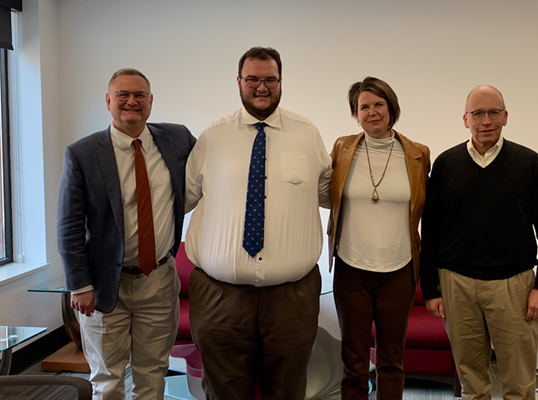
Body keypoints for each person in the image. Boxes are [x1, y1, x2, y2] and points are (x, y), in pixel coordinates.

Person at [184, 46, 332, 400]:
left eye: (270, 80)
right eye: (252, 79)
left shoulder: (307, 134)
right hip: (220, 297)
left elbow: (331, 193)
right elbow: (181, 199)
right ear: (239, 81)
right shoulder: (212, 137)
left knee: (287, 390)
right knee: (224, 392)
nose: (261, 87)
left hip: (291, 298)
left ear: (281, 82)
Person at [57, 68, 196, 400]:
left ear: (150, 102)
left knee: (152, 375)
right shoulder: (83, 153)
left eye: (140, 95)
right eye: (123, 95)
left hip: (159, 279)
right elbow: (69, 225)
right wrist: (79, 284)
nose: (131, 101)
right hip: (105, 286)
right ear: (108, 101)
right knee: (107, 379)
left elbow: (211, 169)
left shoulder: (177, 139)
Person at [420, 85, 538, 400]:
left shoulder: (529, 163)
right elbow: (429, 231)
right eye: (478, 114)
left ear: (505, 117)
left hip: (514, 286)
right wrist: (431, 289)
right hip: (457, 286)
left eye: (494, 112)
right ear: (465, 119)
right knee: (471, 383)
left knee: (519, 383)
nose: (486, 120)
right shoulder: (446, 165)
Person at [328, 77, 430, 399]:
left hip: (398, 272)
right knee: (354, 361)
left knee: (391, 360)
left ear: (391, 107)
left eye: (379, 104)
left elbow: (430, 208)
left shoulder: (418, 154)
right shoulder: (342, 149)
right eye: (364, 107)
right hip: (351, 269)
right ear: (355, 114)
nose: (372, 112)